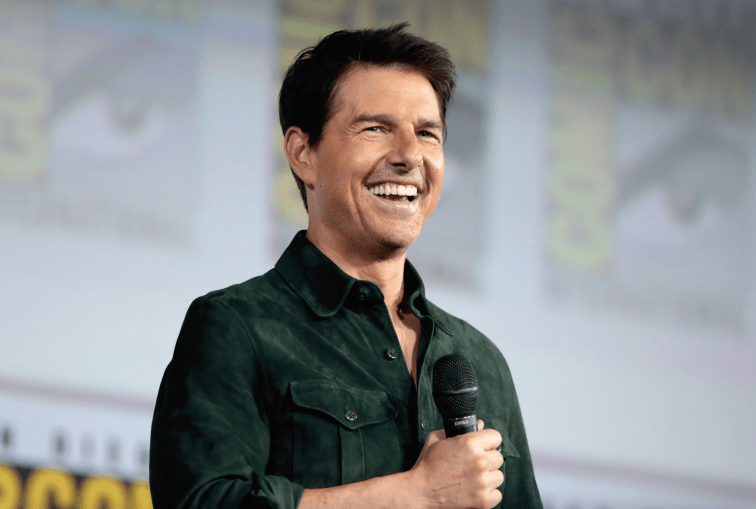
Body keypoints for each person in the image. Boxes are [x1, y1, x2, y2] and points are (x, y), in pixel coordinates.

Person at [150, 23, 542, 509]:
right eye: (376, 128)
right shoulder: (236, 328)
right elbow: (206, 502)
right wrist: (415, 494)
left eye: (427, 133)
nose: (408, 156)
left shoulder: (479, 361)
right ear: (303, 153)